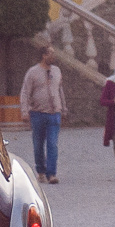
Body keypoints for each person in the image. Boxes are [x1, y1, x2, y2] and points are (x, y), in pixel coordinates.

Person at [20, 45, 65, 185]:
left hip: (54, 114)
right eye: (51, 53)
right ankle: (40, 171)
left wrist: (63, 108)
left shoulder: (57, 71)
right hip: (38, 113)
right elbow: (25, 92)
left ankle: (51, 174)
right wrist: (24, 111)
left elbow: (60, 90)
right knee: (38, 144)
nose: (53, 56)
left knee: (52, 144)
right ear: (43, 55)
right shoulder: (33, 72)